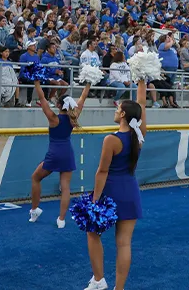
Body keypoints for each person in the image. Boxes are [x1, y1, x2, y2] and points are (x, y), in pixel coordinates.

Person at [84, 81, 147, 290]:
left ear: (122, 115)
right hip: (130, 192)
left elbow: (102, 172)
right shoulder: (139, 136)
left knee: (93, 234)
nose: (116, 110)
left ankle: (99, 280)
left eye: (118, 108)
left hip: (109, 192)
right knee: (124, 243)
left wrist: (94, 200)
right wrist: (142, 82)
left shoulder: (111, 139)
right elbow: (141, 106)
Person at [29, 80, 91, 226]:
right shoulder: (73, 117)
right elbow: (82, 98)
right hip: (67, 153)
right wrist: (88, 83)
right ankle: (61, 219)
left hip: (54, 154)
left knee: (35, 178)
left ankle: (35, 209)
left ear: (58, 105)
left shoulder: (53, 118)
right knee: (66, 187)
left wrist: (37, 83)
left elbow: (43, 99)